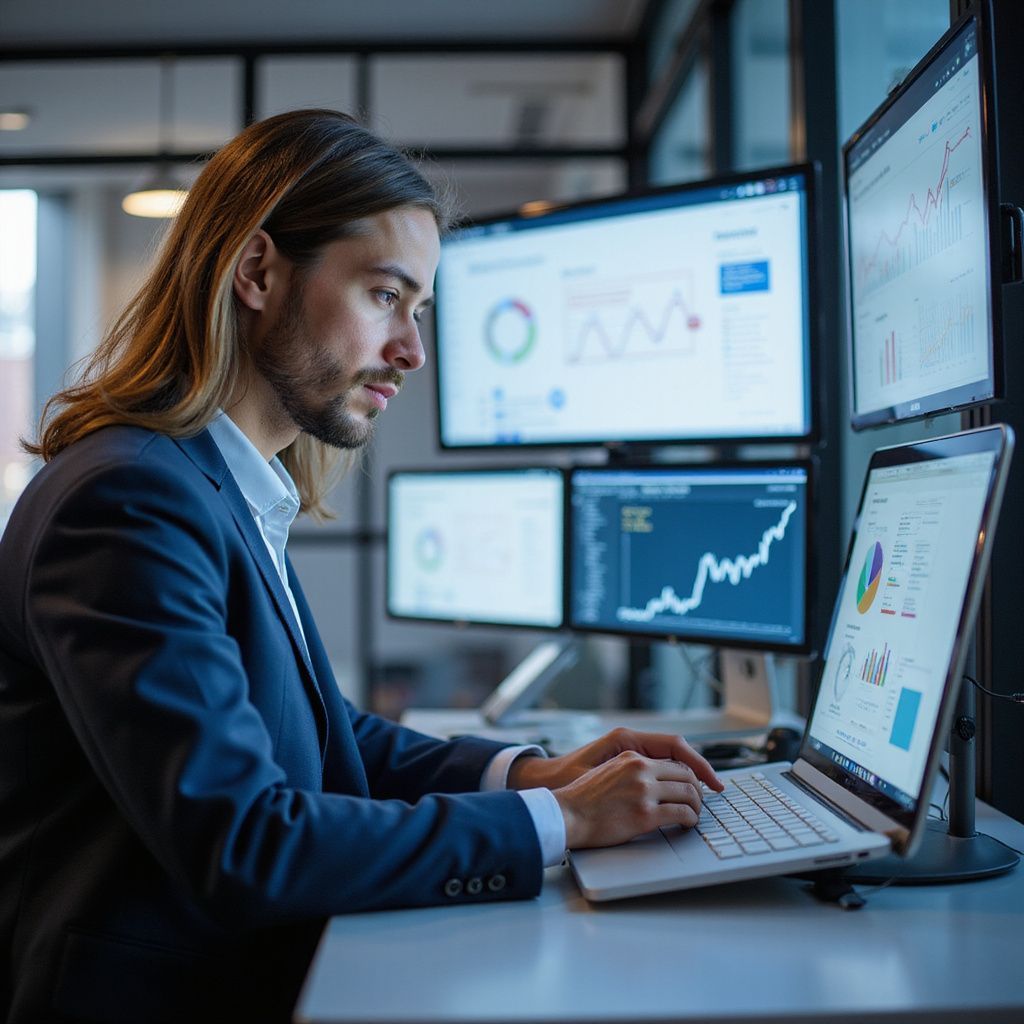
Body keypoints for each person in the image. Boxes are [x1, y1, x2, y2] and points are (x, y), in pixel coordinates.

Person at [0, 109, 722, 1024]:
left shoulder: (214, 484)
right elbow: (246, 840)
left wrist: (531, 777)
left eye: (417, 312)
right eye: (387, 296)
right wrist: (566, 824)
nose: (413, 351)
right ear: (258, 272)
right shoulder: (131, 501)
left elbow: (322, 733)